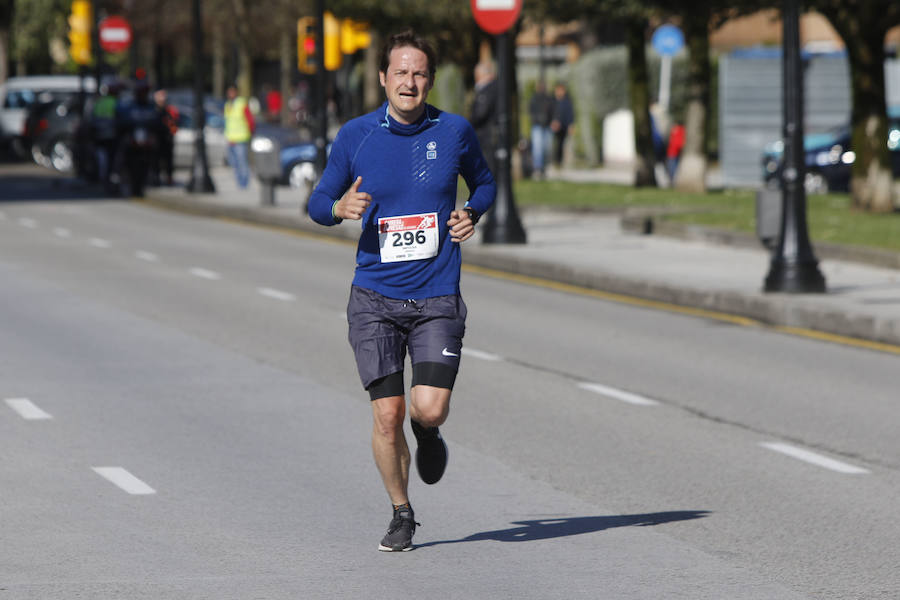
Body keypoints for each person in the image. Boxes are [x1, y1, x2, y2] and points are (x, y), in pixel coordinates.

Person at [307, 30, 496, 553]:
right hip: (374, 299)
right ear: (384, 78)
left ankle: (429, 435)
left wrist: (470, 212)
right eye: (400, 73)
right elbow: (318, 200)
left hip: (436, 294)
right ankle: (402, 511)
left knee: (427, 409)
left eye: (419, 74)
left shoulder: (454, 131)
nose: (409, 82)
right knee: (387, 415)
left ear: (429, 81)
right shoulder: (356, 135)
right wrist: (337, 209)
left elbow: (484, 182)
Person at [469, 61, 499, 175]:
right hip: (491, 133)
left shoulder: (487, 89)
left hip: (486, 133)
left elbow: (481, 112)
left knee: (488, 165)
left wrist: (469, 123)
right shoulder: (496, 88)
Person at [223, 85, 255, 189]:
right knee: (234, 163)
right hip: (231, 139)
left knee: (242, 162)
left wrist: (250, 133)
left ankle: (244, 183)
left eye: (232, 92)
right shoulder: (227, 105)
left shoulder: (241, 103)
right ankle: (239, 182)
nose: (230, 94)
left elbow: (250, 120)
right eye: (229, 92)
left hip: (241, 138)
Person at [528, 80, 554, 179]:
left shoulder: (549, 99)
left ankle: (544, 168)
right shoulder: (534, 99)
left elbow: (553, 110)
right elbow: (531, 111)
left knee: (546, 149)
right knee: (538, 149)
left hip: (547, 126)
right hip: (537, 126)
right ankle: (538, 168)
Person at [153, 88, 179, 186]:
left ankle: (169, 178)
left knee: (168, 161)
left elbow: (174, 125)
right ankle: (155, 178)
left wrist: (172, 131)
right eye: (160, 97)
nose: (162, 99)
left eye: (164, 97)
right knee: (155, 160)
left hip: (167, 139)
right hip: (156, 139)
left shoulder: (170, 111)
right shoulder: (153, 110)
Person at [550, 82, 574, 169]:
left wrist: (570, 124)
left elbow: (570, 114)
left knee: (561, 144)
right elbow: (550, 112)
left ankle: (558, 162)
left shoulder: (567, 101)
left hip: (563, 126)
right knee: (552, 144)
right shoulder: (552, 100)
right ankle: (552, 160)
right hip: (553, 126)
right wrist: (553, 122)